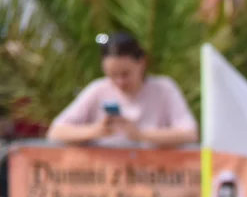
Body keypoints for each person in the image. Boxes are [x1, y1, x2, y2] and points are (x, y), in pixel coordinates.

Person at [47, 32, 198, 147]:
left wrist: (140, 135)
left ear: (142, 63)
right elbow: (55, 132)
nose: (120, 82)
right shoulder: (98, 89)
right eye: (113, 75)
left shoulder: (164, 88)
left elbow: (190, 133)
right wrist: (96, 130)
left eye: (125, 74)